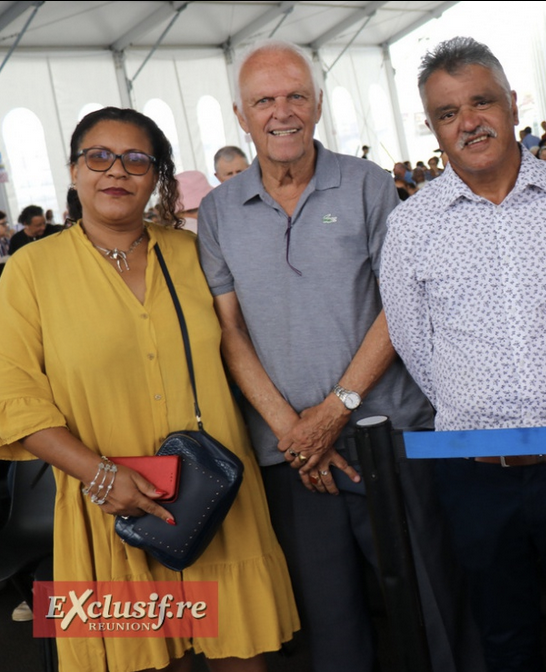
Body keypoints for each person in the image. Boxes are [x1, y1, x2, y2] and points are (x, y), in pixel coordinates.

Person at [197, 40, 478, 672]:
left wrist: (335, 408)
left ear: (318, 104)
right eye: (263, 100)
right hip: (290, 455)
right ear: (241, 116)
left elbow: (397, 307)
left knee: (432, 609)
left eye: (296, 95)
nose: (282, 112)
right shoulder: (217, 211)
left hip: (387, 437)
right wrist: (294, 432)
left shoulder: (367, 184)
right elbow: (229, 334)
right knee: (331, 626)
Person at [0, 106, 299, 672]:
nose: (117, 171)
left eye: (137, 160)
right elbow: (12, 395)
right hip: (105, 510)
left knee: (244, 658)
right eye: (99, 156)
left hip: (213, 496)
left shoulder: (192, 253)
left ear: (158, 176)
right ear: (73, 169)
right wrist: (101, 475)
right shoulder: (30, 269)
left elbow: (245, 343)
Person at [380, 36, 546, 672]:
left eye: (481, 101)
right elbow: (415, 346)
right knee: (505, 642)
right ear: (434, 128)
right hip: (475, 474)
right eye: (447, 113)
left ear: (512, 104)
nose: (468, 122)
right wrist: (482, 409)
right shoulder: (412, 225)